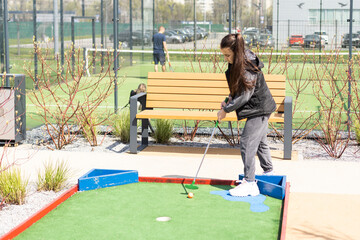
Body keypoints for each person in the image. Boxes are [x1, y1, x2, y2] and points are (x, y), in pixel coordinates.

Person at [217, 34, 276, 197]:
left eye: (227, 55)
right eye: (224, 55)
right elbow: (237, 88)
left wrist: (226, 110)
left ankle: (250, 183)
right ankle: (269, 173)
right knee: (260, 141)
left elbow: (245, 95)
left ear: (237, 51)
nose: (225, 58)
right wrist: (228, 99)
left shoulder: (247, 66)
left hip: (259, 107)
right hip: (259, 106)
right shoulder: (238, 62)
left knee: (247, 142)